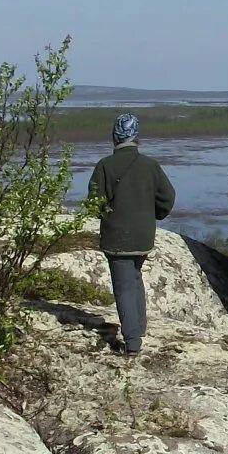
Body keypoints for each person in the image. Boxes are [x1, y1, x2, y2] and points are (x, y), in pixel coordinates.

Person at [87, 112, 175, 356]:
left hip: (117, 238)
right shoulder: (150, 166)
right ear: (136, 137)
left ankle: (133, 342)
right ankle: (140, 327)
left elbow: (94, 204)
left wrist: (108, 216)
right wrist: (153, 215)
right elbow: (168, 197)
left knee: (124, 286)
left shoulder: (105, 165)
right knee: (135, 277)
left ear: (115, 136)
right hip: (143, 236)